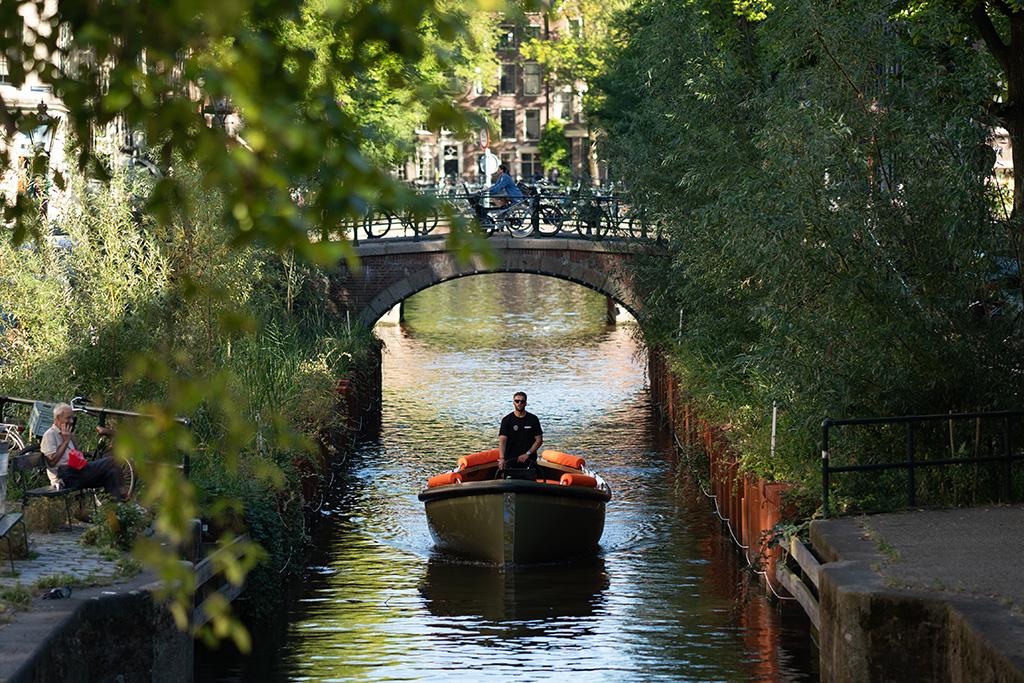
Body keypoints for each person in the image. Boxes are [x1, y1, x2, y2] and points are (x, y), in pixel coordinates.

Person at [40, 403, 125, 500]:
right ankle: (123, 492)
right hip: (64, 476)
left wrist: (72, 438)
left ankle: (116, 505)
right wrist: (66, 441)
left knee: (112, 473)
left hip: (76, 472)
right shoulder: (49, 435)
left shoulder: (67, 433)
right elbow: (51, 462)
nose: (71, 421)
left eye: (72, 418)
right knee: (111, 461)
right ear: (58, 418)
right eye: (68, 418)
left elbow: (79, 455)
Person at [497, 391, 543, 480]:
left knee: (530, 482)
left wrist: (527, 454)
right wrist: (502, 458)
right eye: (517, 401)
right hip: (511, 459)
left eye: (522, 401)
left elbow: (539, 440)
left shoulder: (533, 419)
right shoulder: (506, 420)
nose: (519, 403)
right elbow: (502, 441)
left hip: (529, 459)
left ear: (526, 403)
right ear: (513, 402)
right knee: (509, 483)